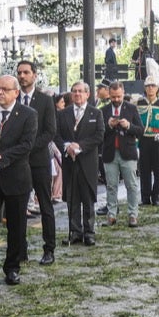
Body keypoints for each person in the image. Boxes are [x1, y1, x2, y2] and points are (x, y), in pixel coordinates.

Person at [0, 75, 39, 284]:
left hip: (16, 177)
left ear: (16, 93)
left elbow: (26, 144)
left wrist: (0, 158)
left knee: (16, 227)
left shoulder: (28, 114)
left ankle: (12, 267)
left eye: (5, 89)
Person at [14, 59, 59, 266]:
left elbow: (50, 131)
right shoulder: (12, 99)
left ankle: (49, 248)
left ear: (34, 75)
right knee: (19, 208)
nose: (22, 76)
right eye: (19, 73)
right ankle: (20, 251)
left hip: (38, 160)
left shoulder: (44, 100)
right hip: (17, 164)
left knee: (45, 204)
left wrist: (27, 147)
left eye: (26, 72)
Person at [56, 80, 103, 245]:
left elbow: (99, 135)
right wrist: (67, 146)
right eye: (74, 91)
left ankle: (89, 232)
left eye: (80, 91)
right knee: (72, 198)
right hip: (70, 162)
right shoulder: (63, 113)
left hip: (87, 162)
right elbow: (56, 135)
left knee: (88, 198)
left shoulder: (95, 113)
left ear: (87, 94)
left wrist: (80, 146)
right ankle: (74, 231)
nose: (77, 94)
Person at [100, 80, 142, 227]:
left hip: (128, 152)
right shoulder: (103, 111)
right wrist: (108, 126)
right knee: (111, 185)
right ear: (109, 95)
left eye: (119, 96)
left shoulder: (131, 108)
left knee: (131, 185)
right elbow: (98, 134)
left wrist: (129, 126)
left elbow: (140, 130)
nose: (116, 100)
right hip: (110, 153)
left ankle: (133, 214)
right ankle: (111, 214)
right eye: (113, 97)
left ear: (123, 93)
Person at [136, 77, 159, 206]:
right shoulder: (138, 103)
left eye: (153, 85)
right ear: (145, 87)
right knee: (144, 170)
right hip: (143, 140)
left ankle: (156, 196)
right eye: (148, 85)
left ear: (157, 88)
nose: (150, 88)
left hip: (157, 141)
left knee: (158, 170)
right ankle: (145, 197)